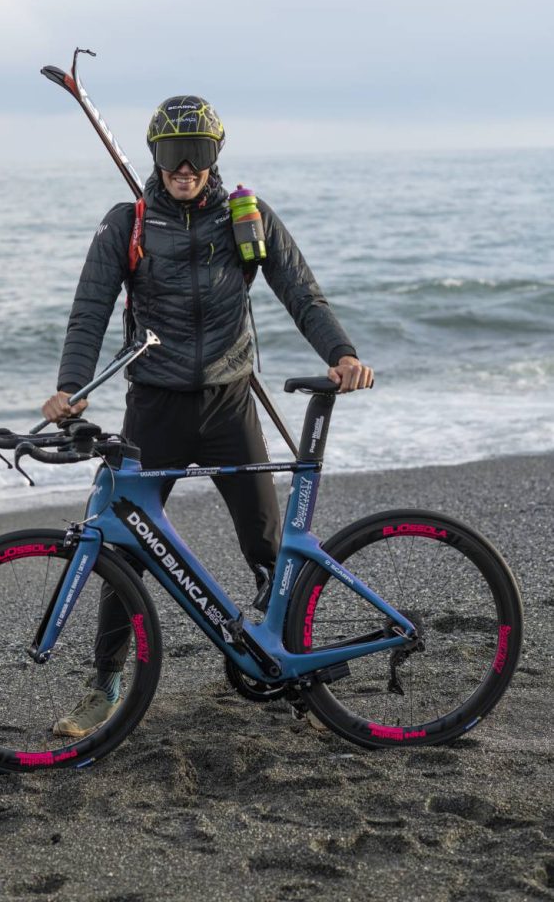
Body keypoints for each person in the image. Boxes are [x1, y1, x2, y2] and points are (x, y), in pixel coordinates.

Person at [41, 95, 373, 737]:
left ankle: (287, 658)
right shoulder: (127, 224)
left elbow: (301, 292)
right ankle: (106, 682)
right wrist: (71, 387)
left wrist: (342, 353)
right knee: (119, 547)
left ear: (215, 156)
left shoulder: (246, 219)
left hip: (228, 402)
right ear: (155, 157)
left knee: (267, 545)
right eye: (171, 153)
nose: (183, 167)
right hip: (154, 408)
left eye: (196, 153)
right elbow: (90, 311)